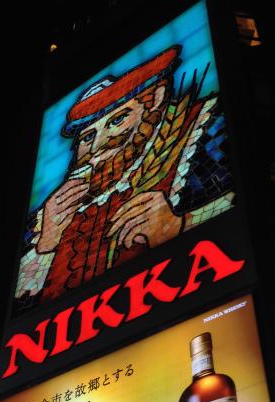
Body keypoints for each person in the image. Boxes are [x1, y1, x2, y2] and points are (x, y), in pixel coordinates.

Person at [15, 45, 234, 308]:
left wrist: (179, 224)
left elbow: (248, 199)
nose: (98, 145)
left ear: (155, 100)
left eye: (117, 120)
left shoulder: (204, 129)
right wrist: (45, 245)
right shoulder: (48, 214)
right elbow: (19, 306)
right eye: (87, 137)